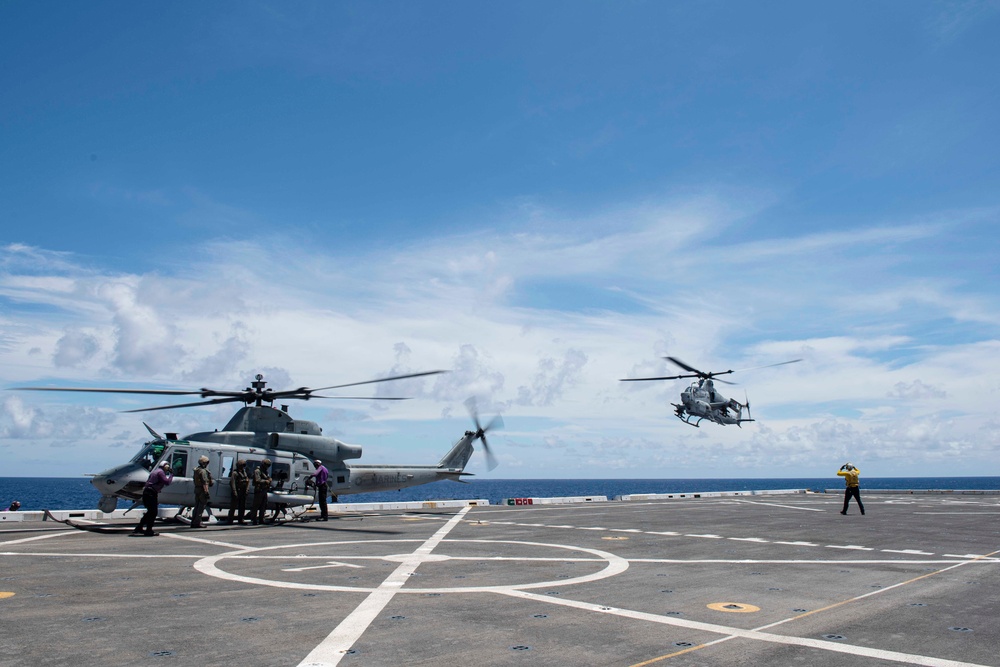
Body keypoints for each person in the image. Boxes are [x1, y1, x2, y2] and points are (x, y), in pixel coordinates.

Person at [133, 461, 173, 536]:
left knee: (150, 512)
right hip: (151, 493)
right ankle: (149, 530)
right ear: (165, 466)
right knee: (153, 512)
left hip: (147, 492)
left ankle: (139, 527)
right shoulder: (161, 472)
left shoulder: (155, 471)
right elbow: (167, 482)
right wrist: (171, 475)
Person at [191, 455, 214, 528]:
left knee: (197, 506)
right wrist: (206, 492)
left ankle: (194, 521)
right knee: (201, 507)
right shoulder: (203, 471)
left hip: (197, 489)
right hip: (202, 490)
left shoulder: (197, 470)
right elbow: (205, 482)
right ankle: (197, 522)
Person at [226, 459, 250, 525]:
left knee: (242, 507)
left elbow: (247, 481)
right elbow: (232, 483)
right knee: (233, 506)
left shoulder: (244, 473)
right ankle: (230, 520)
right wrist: (234, 492)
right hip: (237, 491)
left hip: (243, 492)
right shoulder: (235, 473)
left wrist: (247, 490)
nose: (243, 467)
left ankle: (241, 519)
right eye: (242, 465)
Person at [251, 459, 272, 525]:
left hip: (264, 490)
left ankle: (261, 519)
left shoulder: (265, 471)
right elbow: (257, 480)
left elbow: (267, 478)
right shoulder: (257, 471)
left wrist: (269, 479)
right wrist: (265, 481)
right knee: (256, 506)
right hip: (259, 490)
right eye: (266, 465)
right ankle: (253, 519)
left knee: (263, 506)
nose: (267, 466)